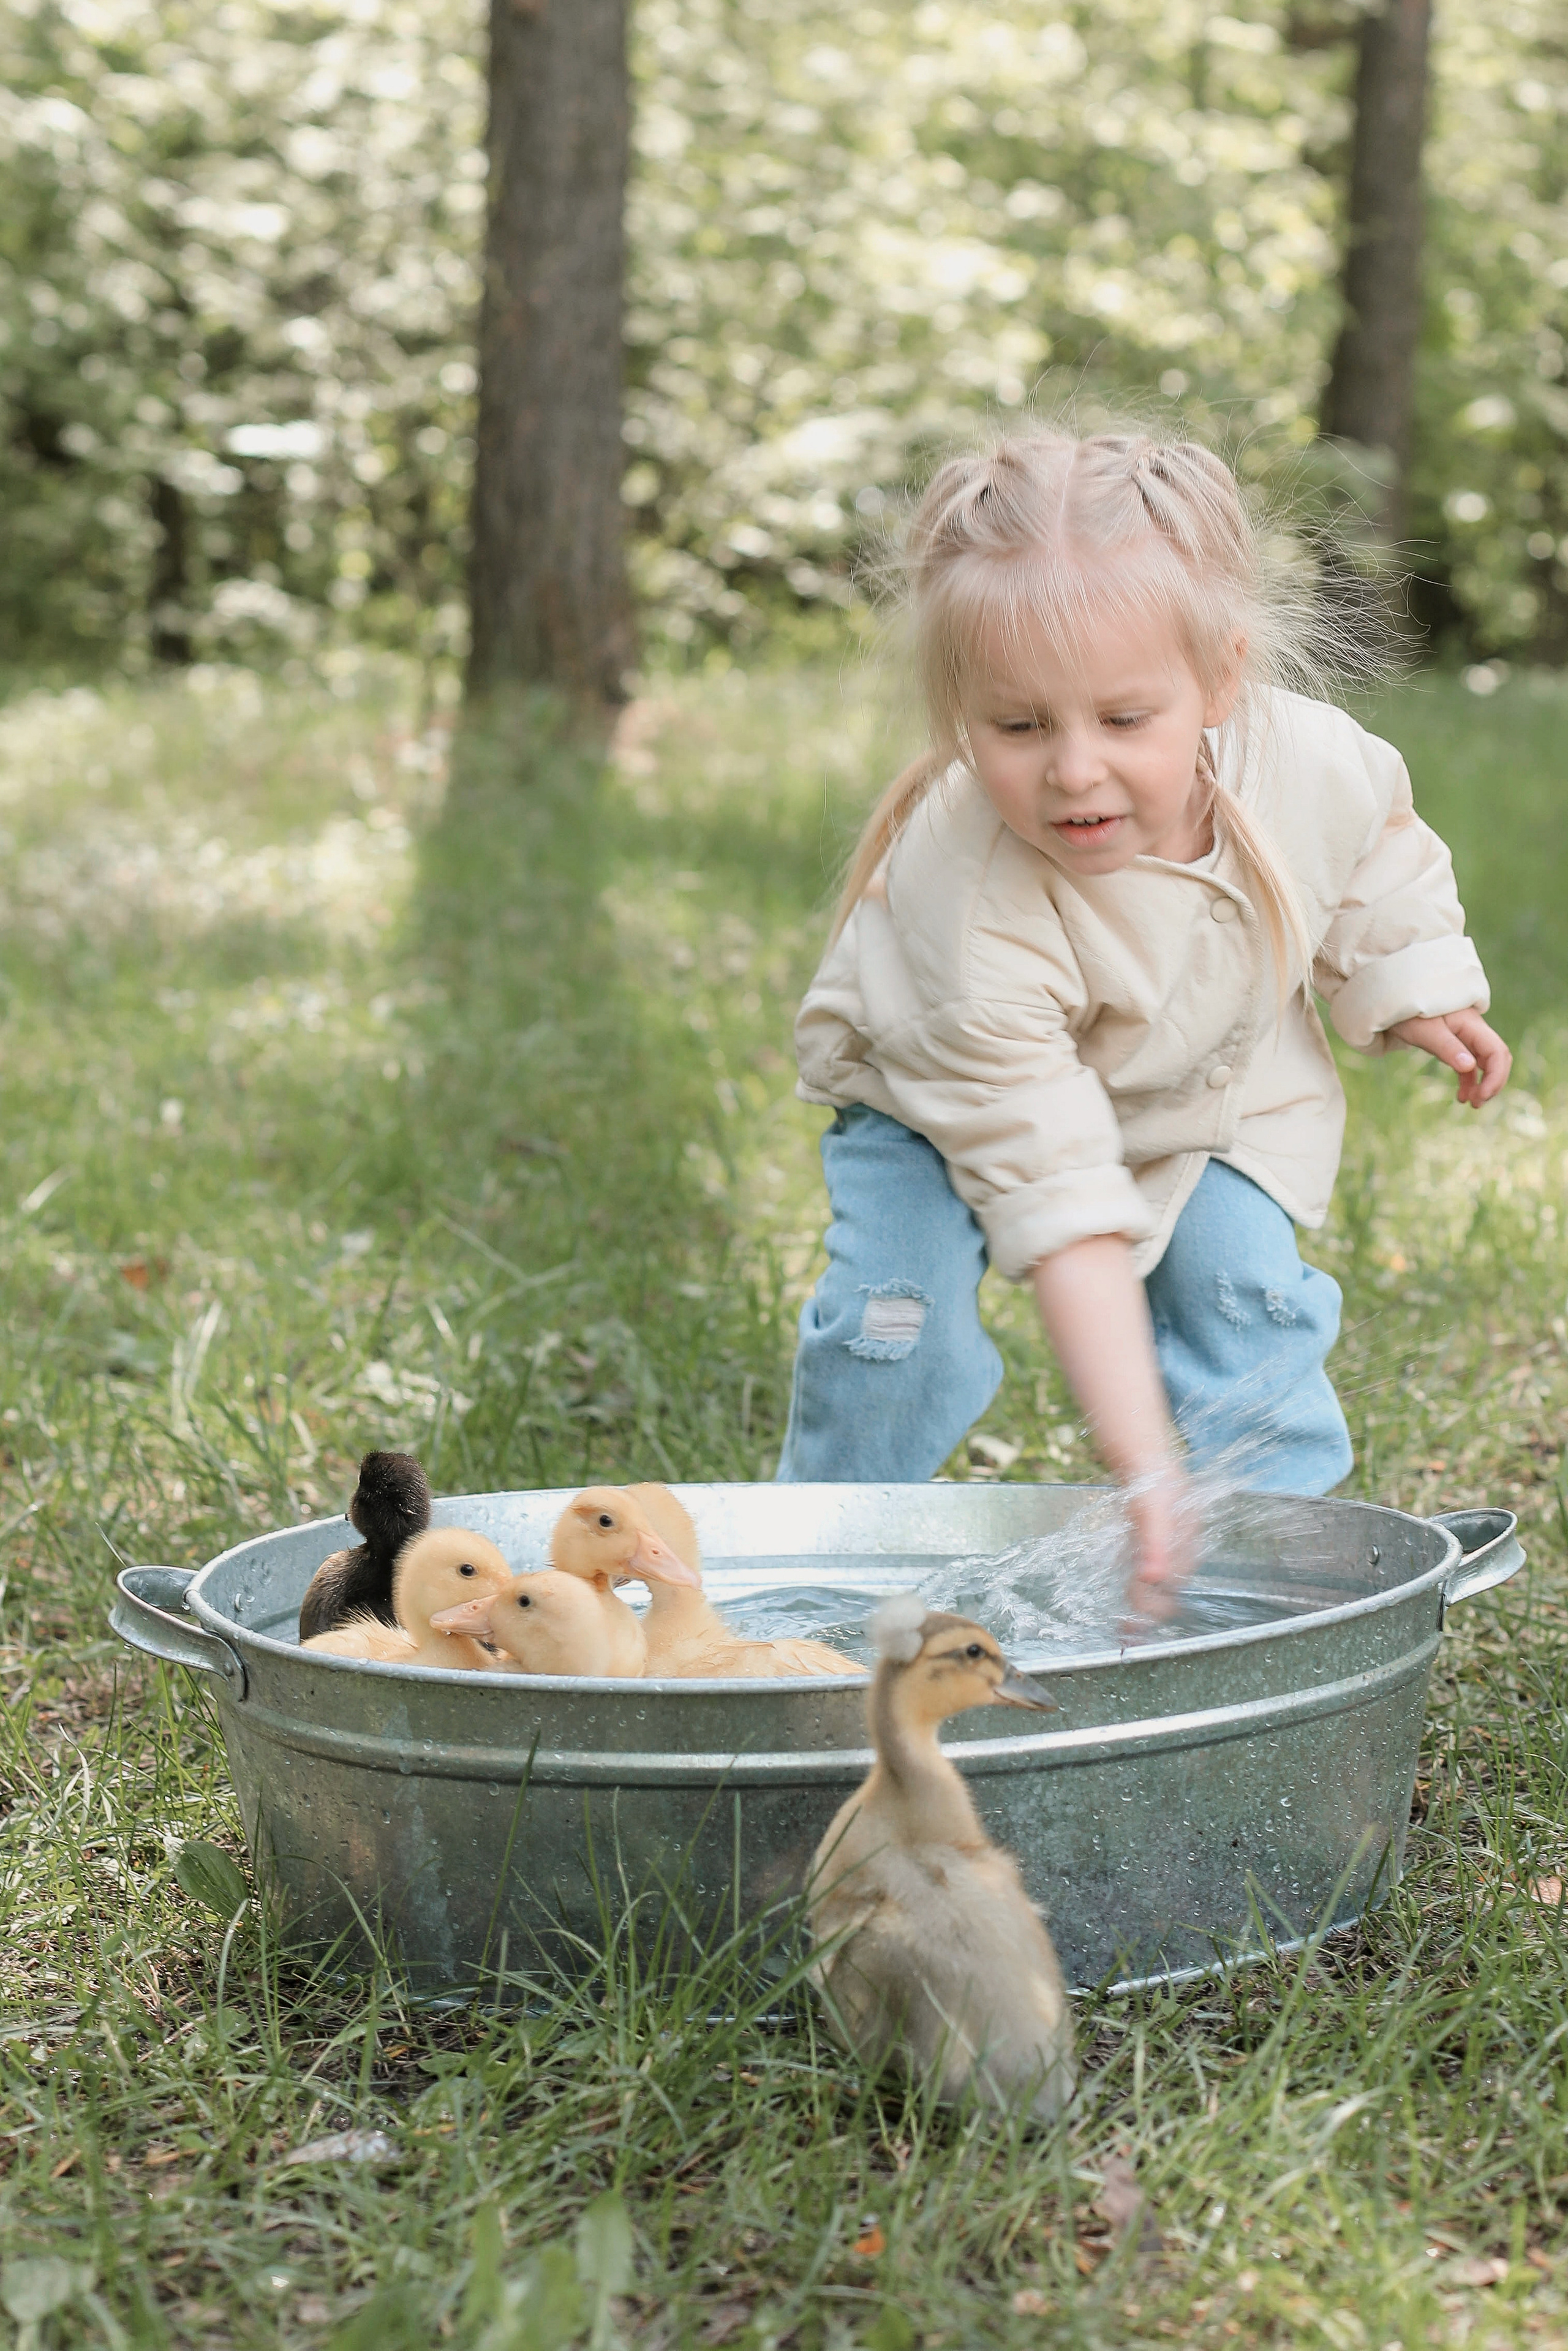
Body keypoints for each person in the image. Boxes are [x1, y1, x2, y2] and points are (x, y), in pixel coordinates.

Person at [776, 429, 1510, 1615]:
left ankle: (1278, 1582)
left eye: (1123, 719)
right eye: (1018, 726)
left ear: (1219, 679)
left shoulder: (1311, 759)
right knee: (895, 1327)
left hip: (1207, 1088)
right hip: (938, 1106)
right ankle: (813, 1577)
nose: (1074, 770)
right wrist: (1144, 1464)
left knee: (1245, 1302)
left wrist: (1415, 979)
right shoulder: (966, 902)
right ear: (958, 712)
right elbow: (1059, 1199)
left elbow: (1375, 847)